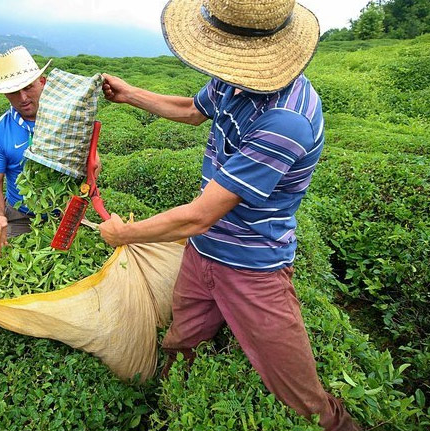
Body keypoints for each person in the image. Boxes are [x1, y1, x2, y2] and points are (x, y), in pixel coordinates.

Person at [99, 0, 360, 430]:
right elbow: (190, 109)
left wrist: (126, 234)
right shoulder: (234, 80)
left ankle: (337, 423)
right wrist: (129, 94)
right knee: (183, 337)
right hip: (203, 251)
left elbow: (199, 216)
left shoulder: (286, 120)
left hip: (252, 265)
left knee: (294, 385)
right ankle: (175, 398)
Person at [0, 46, 52, 257]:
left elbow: (93, 164)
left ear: (42, 82)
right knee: (10, 265)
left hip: (67, 212)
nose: (23, 98)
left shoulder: (68, 121)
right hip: (21, 216)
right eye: (13, 92)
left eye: (28, 87)